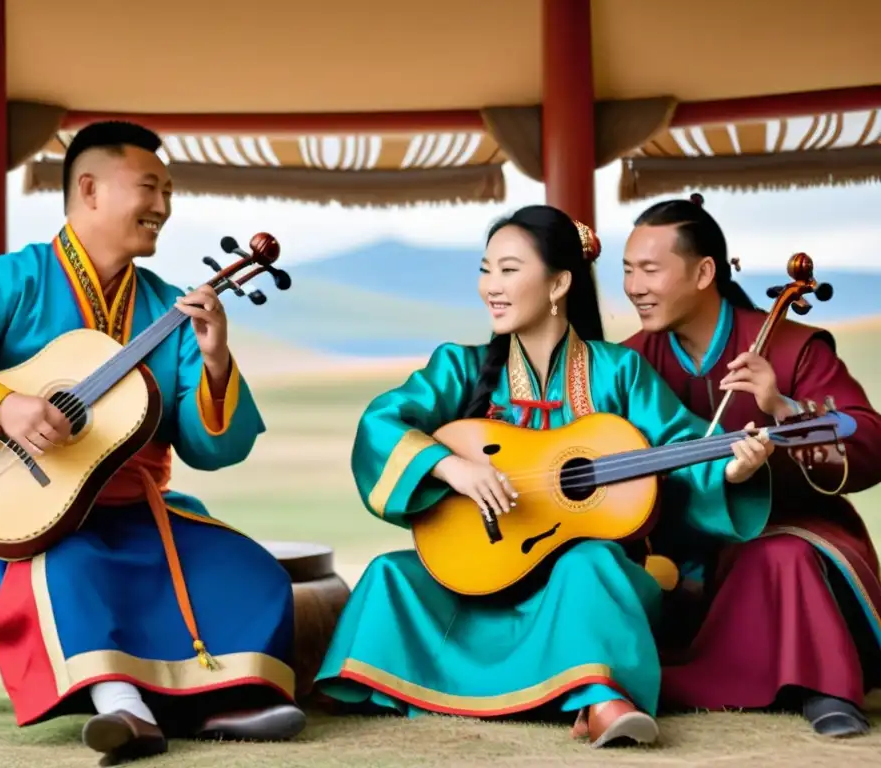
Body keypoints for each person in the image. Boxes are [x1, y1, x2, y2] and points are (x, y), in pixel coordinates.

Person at [0, 121, 305, 765]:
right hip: (34, 517)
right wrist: (5, 405)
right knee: (70, 568)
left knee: (252, 572)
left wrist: (216, 359)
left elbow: (214, 448)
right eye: (149, 186)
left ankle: (225, 702)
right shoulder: (8, 282)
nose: (164, 205)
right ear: (88, 189)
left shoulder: (172, 309)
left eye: (168, 189)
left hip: (141, 510)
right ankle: (123, 708)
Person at [312, 204, 775, 748]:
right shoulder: (460, 368)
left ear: (559, 283)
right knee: (392, 573)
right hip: (483, 576)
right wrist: (450, 465)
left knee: (588, 564)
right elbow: (381, 424)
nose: (491, 286)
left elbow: (683, 447)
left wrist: (732, 467)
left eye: (509, 270)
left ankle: (600, 699)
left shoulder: (618, 372)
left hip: (584, 584)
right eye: (485, 270)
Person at [621, 193, 881, 737]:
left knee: (778, 556)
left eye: (649, 269)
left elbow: (870, 438)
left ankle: (823, 684)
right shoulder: (630, 359)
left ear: (703, 272)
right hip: (671, 544)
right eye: (627, 270)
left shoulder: (790, 346)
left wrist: (783, 407)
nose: (634, 286)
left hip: (783, 529)